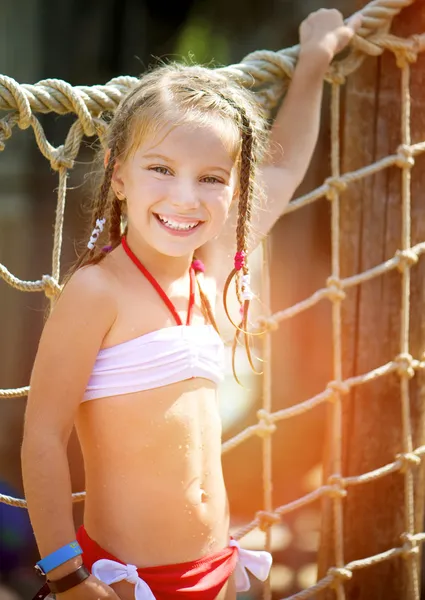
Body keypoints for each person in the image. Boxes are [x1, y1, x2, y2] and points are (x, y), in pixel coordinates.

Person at [21, 8, 362, 600]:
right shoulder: (97, 291)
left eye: (211, 178)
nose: (186, 197)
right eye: (161, 169)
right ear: (119, 174)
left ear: (234, 188)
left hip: (218, 569)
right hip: (127, 581)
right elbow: (43, 436)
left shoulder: (208, 265)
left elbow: (282, 168)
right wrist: (66, 572)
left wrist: (313, 60)